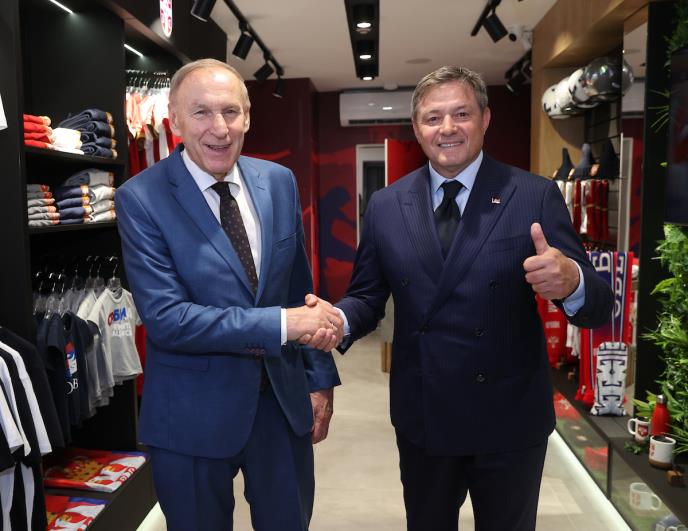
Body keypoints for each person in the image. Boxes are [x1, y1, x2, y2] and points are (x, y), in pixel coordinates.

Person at [306, 66, 614, 530]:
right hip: (425, 416)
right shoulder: (387, 206)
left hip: (508, 419)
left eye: (461, 114)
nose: (447, 128)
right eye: (433, 118)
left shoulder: (532, 195)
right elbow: (367, 296)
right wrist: (338, 320)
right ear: (416, 128)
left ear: (485, 119)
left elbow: (599, 307)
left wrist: (572, 281)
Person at [116, 58, 343, 531]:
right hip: (191, 415)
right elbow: (169, 319)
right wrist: (282, 325)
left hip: (280, 405)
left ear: (248, 117)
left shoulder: (277, 182)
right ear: (174, 121)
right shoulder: (141, 198)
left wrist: (319, 380)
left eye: (230, 111)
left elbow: (299, 290)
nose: (219, 128)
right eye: (200, 112)